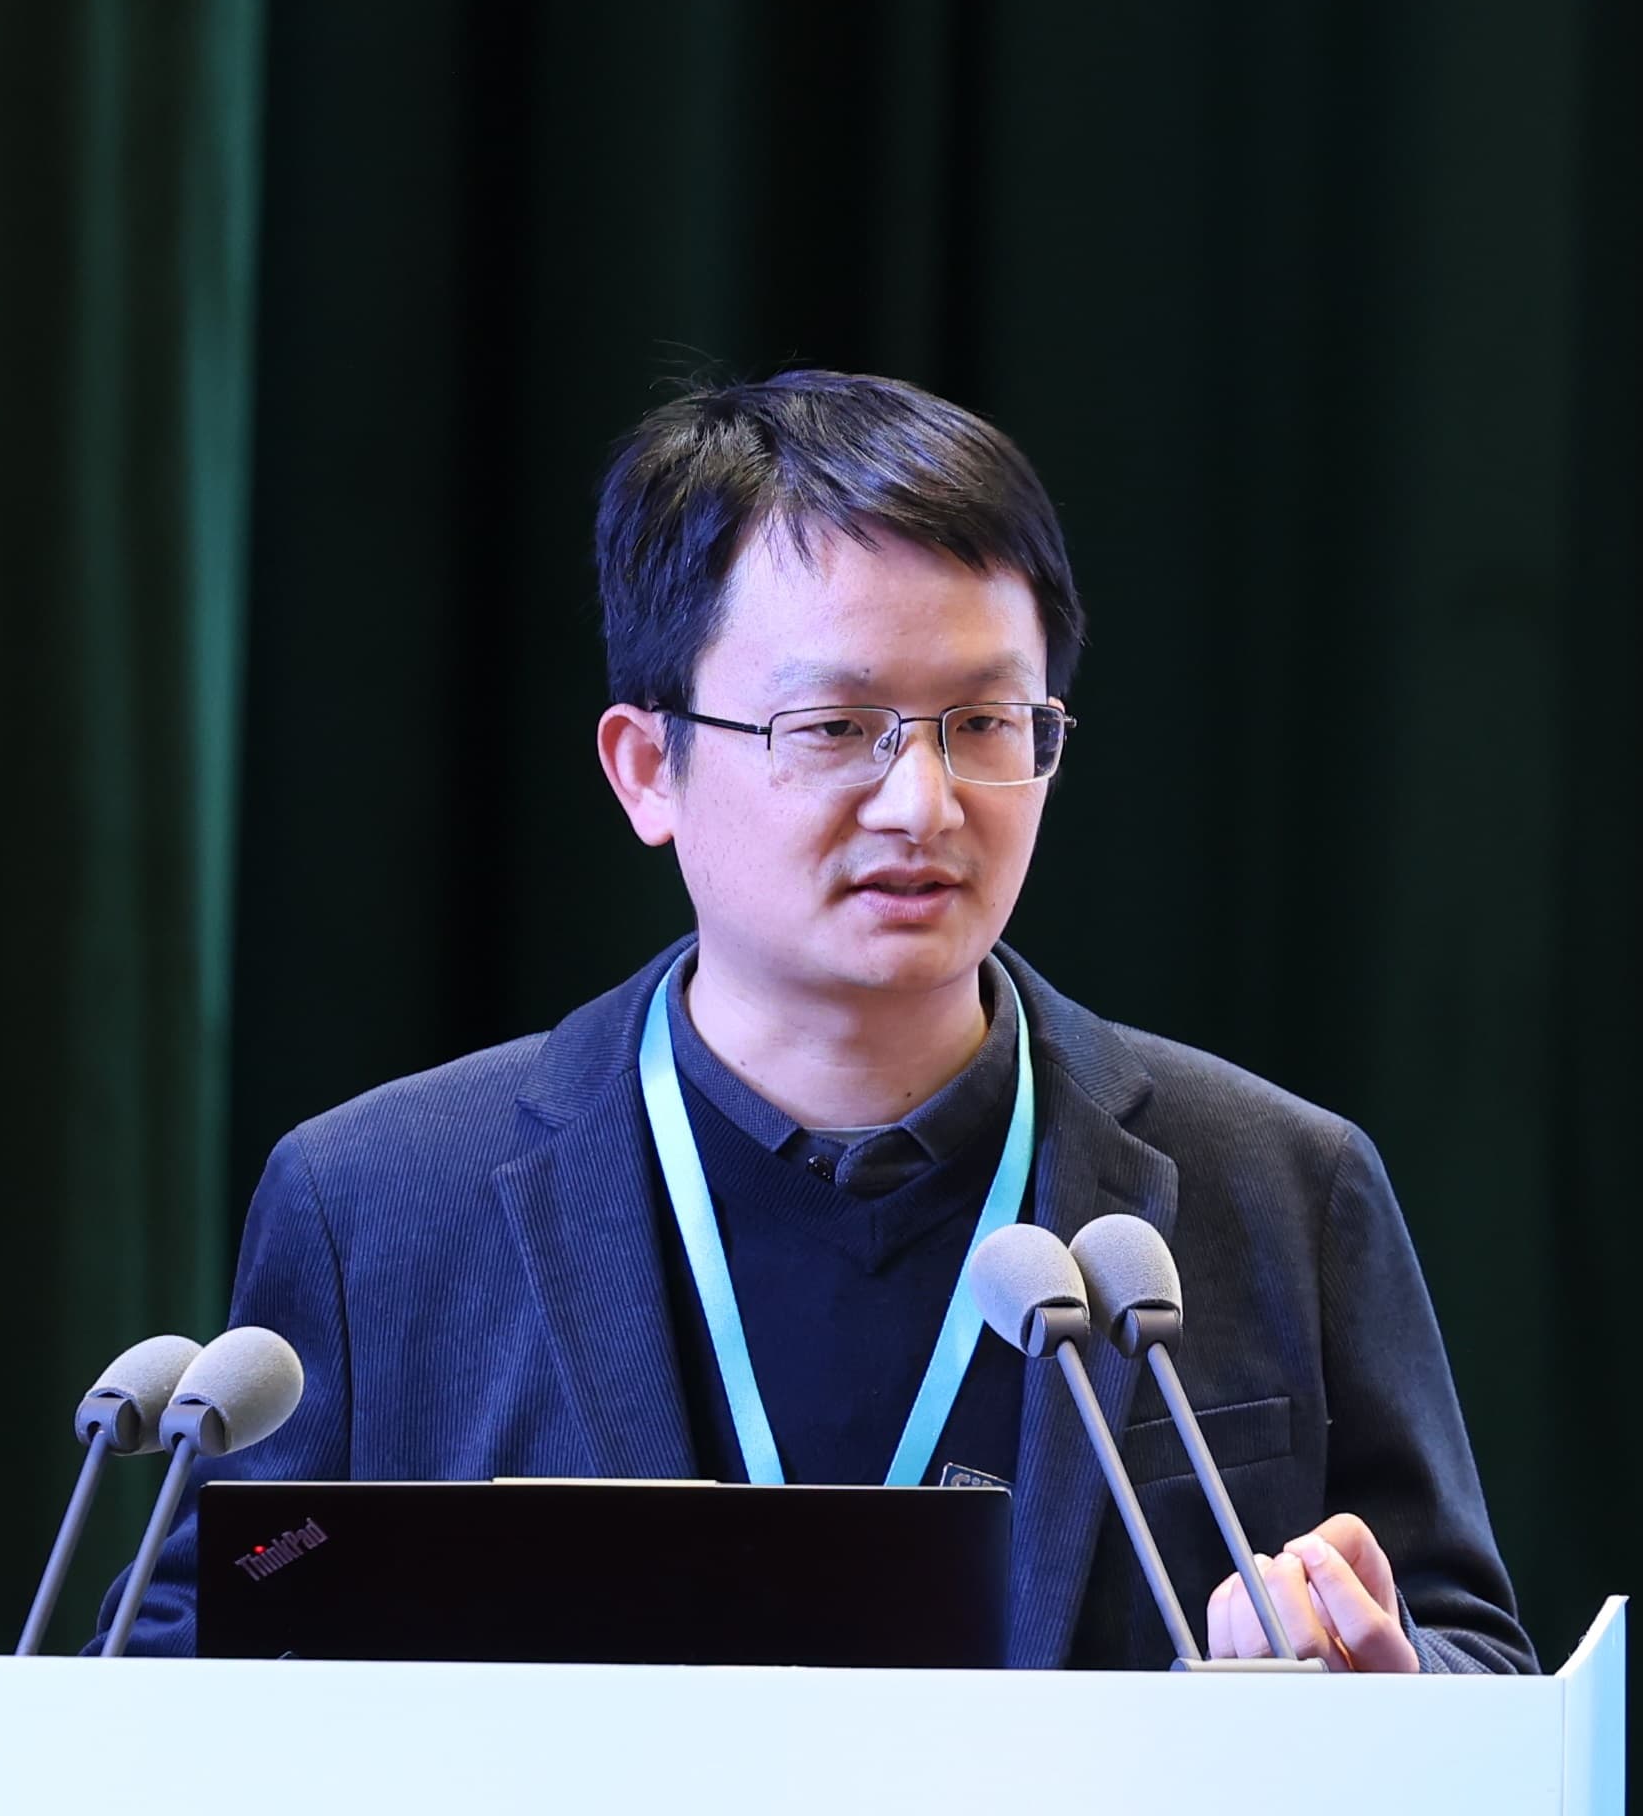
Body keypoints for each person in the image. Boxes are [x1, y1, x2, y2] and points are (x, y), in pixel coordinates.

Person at [102, 372, 1529, 1673]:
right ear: (647, 768)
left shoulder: (1275, 1185)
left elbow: (1472, 1658)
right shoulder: (377, 1205)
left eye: (987, 725)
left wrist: (1370, 1678)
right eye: (836, 728)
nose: (922, 804)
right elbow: (191, 1662)